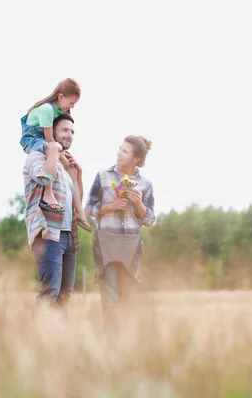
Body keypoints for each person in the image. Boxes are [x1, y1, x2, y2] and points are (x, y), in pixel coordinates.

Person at [84, 135, 156, 325]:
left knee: (125, 300)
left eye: (124, 151)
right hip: (106, 242)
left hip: (131, 246)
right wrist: (110, 206)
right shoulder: (103, 176)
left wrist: (139, 203)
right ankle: (110, 345)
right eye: (119, 149)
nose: (119, 154)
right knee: (110, 299)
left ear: (136, 159)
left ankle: (122, 345)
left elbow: (149, 220)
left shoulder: (145, 184)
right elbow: (88, 207)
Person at [23, 113, 82, 307]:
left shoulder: (64, 166)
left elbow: (76, 201)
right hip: (48, 233)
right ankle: (35, 336)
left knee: (64, 295)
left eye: (72, 131)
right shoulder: (36, 156)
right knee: (50, 291)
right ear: (52, 131)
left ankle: (56, 336)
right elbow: (45, 179)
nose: (70, 135)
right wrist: (53, 151)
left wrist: (77, 174)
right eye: (65, 130)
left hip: (68, 234)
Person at [20, 78, 91, 232]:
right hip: (32, 138)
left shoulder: (58, 111)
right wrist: (61, 156)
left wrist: (72, 167)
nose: (72, 107)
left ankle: (79, 212)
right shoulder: (47, 110)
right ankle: (48, 192)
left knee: (55, 150)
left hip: (43, 140)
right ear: (61, 97)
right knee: (52, 149)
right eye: (71, 103)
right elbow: (49, 139)